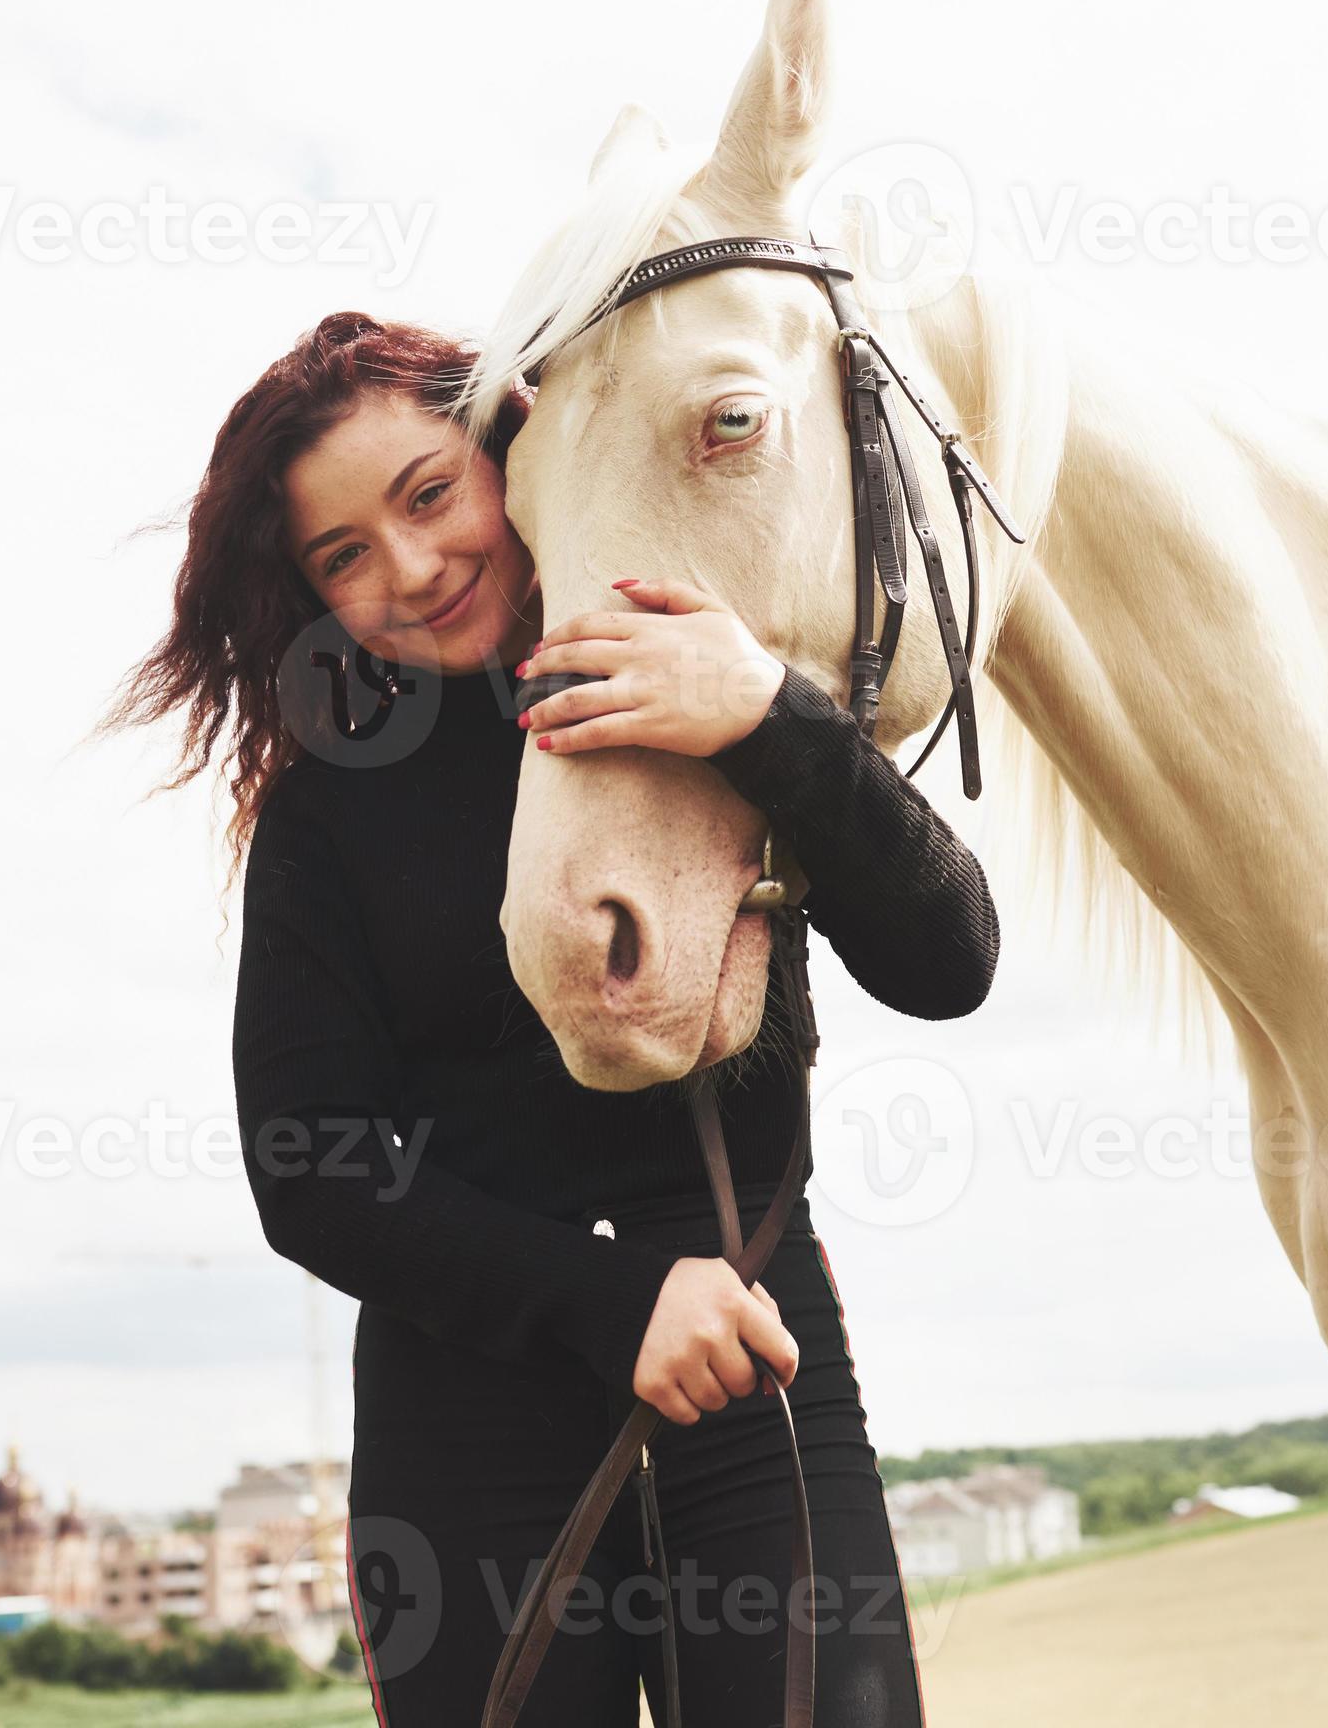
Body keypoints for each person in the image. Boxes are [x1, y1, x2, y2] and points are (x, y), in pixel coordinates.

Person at [108, 311, 996, 1725]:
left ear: (512, 447)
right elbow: (309, 1170)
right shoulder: (328, 806)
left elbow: (949, 960)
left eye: (428, 494)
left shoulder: (700, 684)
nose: (409, 567)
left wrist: (768, 715)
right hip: (468, 1438)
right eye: (343, 555)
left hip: (757, 1367)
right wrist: (615, 1298)